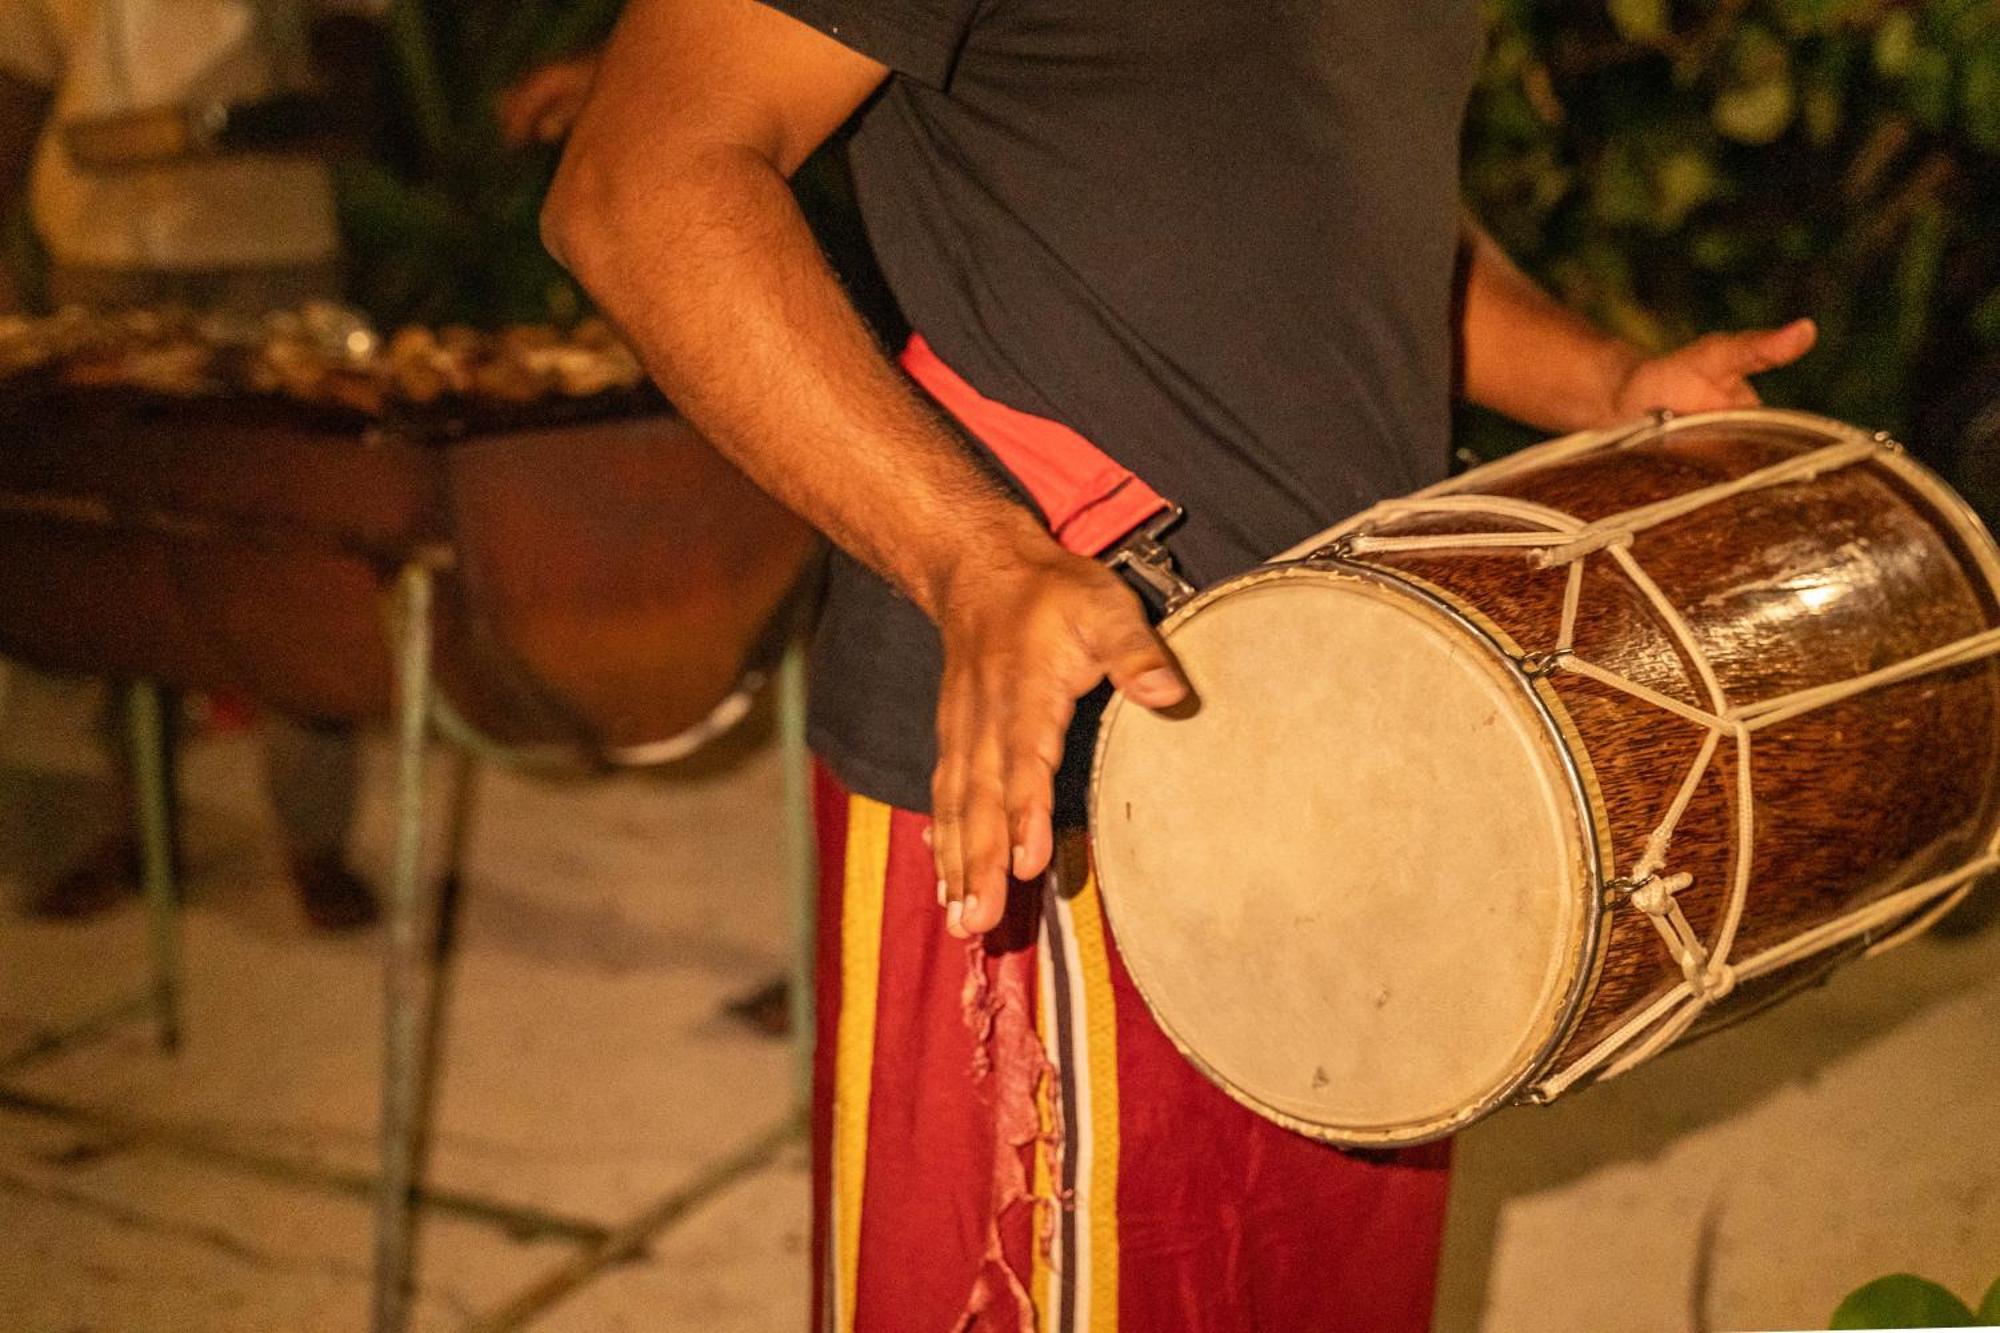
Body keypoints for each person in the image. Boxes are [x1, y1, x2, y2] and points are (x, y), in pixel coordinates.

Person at [539, 1, 1817, 1327]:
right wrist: (970, 554)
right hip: (1063, 746)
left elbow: (1327, 190)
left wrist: (1605, 385)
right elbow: (639, 180)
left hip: (1364, 713)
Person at [0, 0, 380, 931]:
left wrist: (301, 79)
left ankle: (313, 838)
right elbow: (18, 79)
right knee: (114, 548)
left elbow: (357, 64)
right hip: (96, 246)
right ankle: (135, 820)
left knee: (293, 541)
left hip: (267, 243)